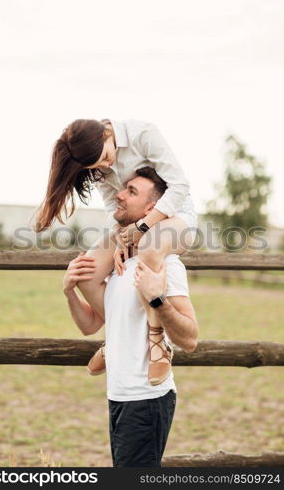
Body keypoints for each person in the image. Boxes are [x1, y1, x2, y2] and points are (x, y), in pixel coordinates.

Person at [35, 118, 198, 383]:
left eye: (106, 158)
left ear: (107, 134)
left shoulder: (143, 134)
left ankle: (157, 344)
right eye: (96, 166)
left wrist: (142, 226)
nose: (104, 166)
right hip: (134, 222)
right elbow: (113, 206)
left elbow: (179, 186)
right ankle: (117, 338)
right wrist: (122, 237)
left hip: (177, 216)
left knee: (149, 246)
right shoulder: (97, 163)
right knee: (87, 272)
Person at [63, 167, 199, 467]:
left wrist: (158, 301)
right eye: (123, 188)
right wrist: (69, 291)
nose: (120, 195)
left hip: (146, 398)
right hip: (118, 393)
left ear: (152, 208)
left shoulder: (167, 265)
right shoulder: (117, 266)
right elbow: (89, 325)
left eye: (132, 192)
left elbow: (190, 339)